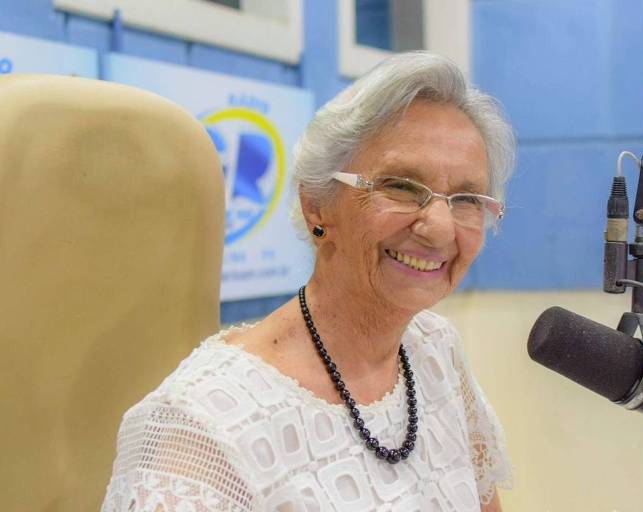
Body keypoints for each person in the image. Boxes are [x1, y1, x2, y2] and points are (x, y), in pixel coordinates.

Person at [102, 51, 514, 512]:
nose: (438, 226)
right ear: (317, 203)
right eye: (400, 186)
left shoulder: (435, 351)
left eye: (466, 199)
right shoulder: (204, 423)